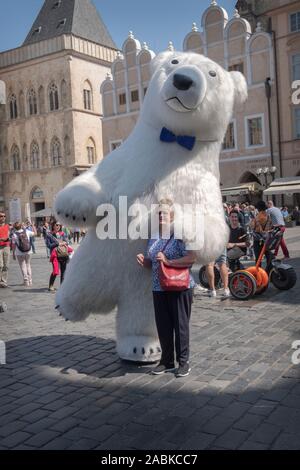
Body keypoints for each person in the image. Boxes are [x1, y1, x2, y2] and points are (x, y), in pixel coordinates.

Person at [137, 199, 197, 378]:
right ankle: (167, 361)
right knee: (163, 326)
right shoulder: (154, 235)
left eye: (164, 212)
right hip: (159, 286)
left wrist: (169, 261)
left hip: (180, 285)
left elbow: (192, 257)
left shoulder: (180, 232)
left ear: (172, 215)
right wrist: (146, 262)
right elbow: (154, 262)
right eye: (159, 213)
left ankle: (184, 362)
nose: (161, 215)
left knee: (180, 325)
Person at [46, 222, 70, 291]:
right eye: (56, 225)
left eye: (59, 225)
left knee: (63, 271)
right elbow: (49, 245)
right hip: (55, 255)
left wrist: (64, 243)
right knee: (55, 271)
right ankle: (51, 285)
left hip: (63, 254)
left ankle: (62, 286)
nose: (58, 226)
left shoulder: (63, 234)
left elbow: (67, 242)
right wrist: (57, 243)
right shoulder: (49, 235)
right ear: (53, 226)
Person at [11, 221, 36, 287]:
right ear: (21, 226)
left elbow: (13, 245)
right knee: (28, 265)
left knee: (23, 266)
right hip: (28, 251)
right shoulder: (26, 231)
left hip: (19, 252)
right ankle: (30, 281)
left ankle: (26, 281)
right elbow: (35, 233)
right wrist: (33, 226)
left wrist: (13, 253)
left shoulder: (14, 235)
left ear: (14, 228)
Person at [250, 201, 273, 265]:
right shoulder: (268, 216)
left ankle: (258, 273)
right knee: (268, 257)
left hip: (258, 240)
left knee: (258, 259)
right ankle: (269, 271)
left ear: (258, 208)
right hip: (267, 239)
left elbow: (252, 226)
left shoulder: (257, 217)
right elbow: (271, 227)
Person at [0, 212, 10, 288]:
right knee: (0, 265)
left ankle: (3, 281)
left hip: (6, 247)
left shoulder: (8, 226)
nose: (3, 217)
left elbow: (10, 236)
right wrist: (1, 239)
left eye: (4, 216)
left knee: (6, 265)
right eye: (1, 216)